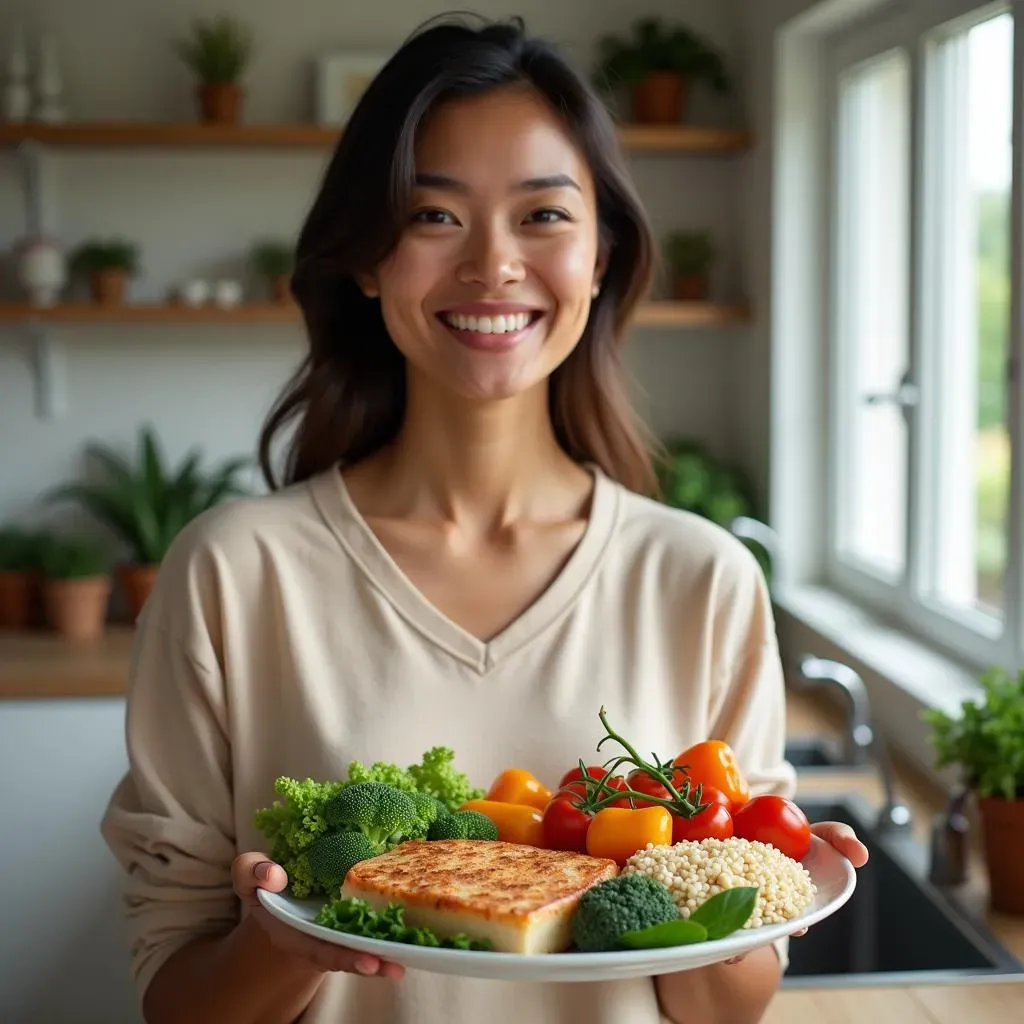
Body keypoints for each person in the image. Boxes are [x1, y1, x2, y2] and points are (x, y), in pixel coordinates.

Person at [100, 13, 867, 1024]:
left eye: (544, 215)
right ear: (367, 258)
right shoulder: (235, 574)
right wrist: (278, 943)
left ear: (601, 256)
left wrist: (756, 890)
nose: (493, 264)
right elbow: (177, 1000)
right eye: (434, 216)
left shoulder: (700, 577)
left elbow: (722, 1009)